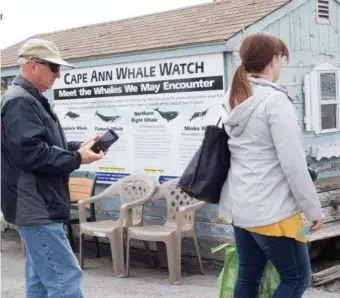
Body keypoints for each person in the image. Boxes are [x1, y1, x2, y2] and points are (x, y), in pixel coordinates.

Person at [218, 32, 325, 298]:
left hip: (239, 206)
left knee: (248, 275)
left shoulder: (233, 95)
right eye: (283, 58)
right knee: (298, 277)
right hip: (272, 210)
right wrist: (313, 209)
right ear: (274, 59)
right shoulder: (274, 101)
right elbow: (293, 164)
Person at [1, 38, 105, 298]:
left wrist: (78, 147)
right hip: (36, 204)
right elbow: (32, 154)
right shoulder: (20, 101)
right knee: (65, 279)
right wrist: (78, 158)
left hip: (39, 203)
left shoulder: (29, 98)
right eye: (54, 68)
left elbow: (44, 145)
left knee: (39, 281)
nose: (58, 74)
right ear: (33, 66)